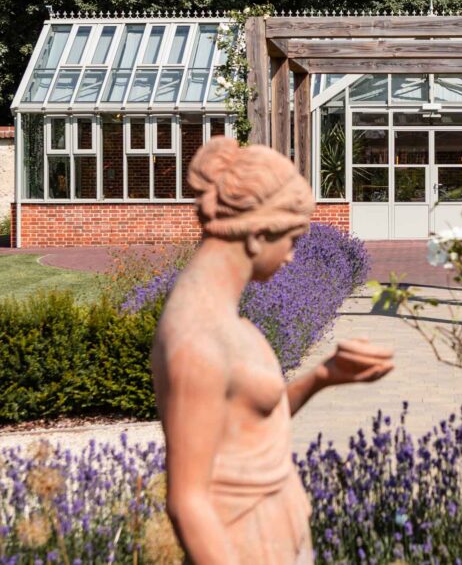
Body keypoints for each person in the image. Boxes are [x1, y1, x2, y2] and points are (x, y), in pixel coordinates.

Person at [151, 137, 393, 564]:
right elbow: (188, 502)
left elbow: (252, 419)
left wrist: (325, 375)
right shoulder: (197, 337)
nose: (293, 257)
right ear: (259, 233)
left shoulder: (225, 319)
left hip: (271, 531)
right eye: (293, 239)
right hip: (241, 541)